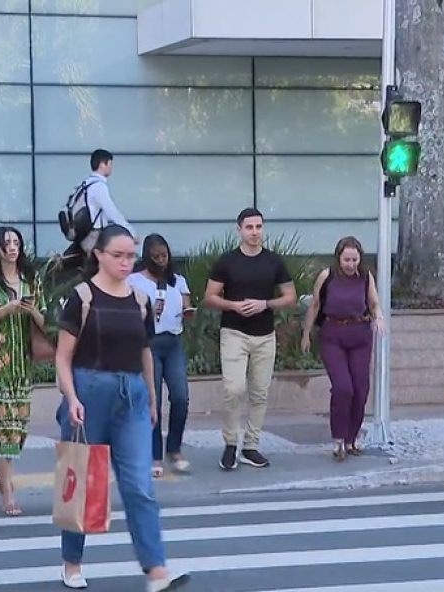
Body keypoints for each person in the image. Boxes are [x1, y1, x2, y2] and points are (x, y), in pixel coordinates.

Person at [56, 224, 189, 592]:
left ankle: (156, 570)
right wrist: (71, 397)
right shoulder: (82, 297)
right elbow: (62, 357)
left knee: (139, 486)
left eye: (130, 255)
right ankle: (72, 562)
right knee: (81, 483)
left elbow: (145, 350)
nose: (125, 262)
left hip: (131, 395)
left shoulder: (140, 299)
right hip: (89, 389)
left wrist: (150, 397)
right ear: (98, 254)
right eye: (118, 255)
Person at [203, 207, 296, 471]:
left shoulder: (274, 261)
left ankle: (251, 446)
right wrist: (234, 306)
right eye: (249, 227)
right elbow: (209, 297)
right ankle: (230, 443)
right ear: (239, 230)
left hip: (265, 335)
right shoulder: (227, 261)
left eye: (258, 227)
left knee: (259, 393)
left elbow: (290, 297)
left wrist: (265, 303)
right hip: (233, 332)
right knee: (233, 389)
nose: (255, 232)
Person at [0, 226, 45, 517]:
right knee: (3, 430)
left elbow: (44, 321)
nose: (13, 248)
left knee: (20, 428)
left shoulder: (32, 279)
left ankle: (1, 469)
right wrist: (8, 309)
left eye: (16, 242)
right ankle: (7, 492)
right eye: (7, 243)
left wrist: (29, 310)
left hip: (23, 363)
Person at [301, 236, 384, 461]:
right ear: (339, 258)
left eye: (354, 259)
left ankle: (352, 439)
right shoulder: (327, 277)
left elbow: (374, 303)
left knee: (361, 388)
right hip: (333, 335)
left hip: (359, 335)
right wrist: (306, 334)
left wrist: (378, 318)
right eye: (346, 259)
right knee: (343, 387)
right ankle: (338, 439)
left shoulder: (365, 277)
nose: (350, 264)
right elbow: (315, 305)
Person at [128, 233, 193, 478]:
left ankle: (174, 449)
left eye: (164, 255)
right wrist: (145, 310)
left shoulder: (177, 281)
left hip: (173, 341)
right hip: (148, 343)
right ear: (147, 257)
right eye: (155, 256)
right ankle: (154, 454)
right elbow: (128, 312)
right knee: (151, 400)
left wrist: (188, 311)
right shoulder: (134, 280)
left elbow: (187, 304)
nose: (161, 260)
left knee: (180, 397)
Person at [79, 149, 135, 255]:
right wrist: (130, 232)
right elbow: (112, 212)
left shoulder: (86, 184)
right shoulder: (99, 187)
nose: (111, 167)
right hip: (95, 236)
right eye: (110, 164)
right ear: (102, 165)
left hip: (84, 235)